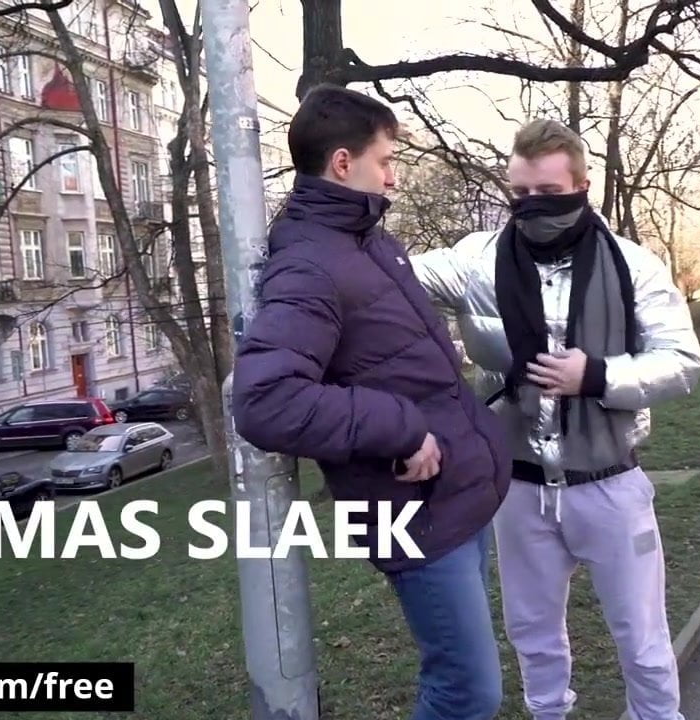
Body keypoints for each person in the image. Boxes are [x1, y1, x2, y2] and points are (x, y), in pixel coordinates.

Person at [230, 85, 512, 720]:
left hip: (459, 496)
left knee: (465, 683)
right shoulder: (308, 265)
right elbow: (267, 400)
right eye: (385, 161)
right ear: (342, 163)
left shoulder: (373, 245)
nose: (394, 177)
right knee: (467, 693)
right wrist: (401, 428)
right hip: (414, 514)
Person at [410, 118, 700, 720]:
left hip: (611, 484)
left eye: (547, 192)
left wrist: (595, 376)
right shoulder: (477, 261)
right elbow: (388, 274)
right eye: (520, 192)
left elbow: (683, 362)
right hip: (518, 490)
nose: (531, 204)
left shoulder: (634, 265)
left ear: (581, 186)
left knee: (643, 640)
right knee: (533, 635)